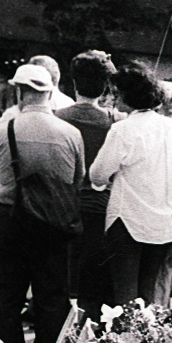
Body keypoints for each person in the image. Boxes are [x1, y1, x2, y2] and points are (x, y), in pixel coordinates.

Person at [0, 63, 84, 343]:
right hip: (53, 223)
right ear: (48, 92)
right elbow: (77, 180)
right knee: (52, 298)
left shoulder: (3, 130)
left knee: (7, 298)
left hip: (11, 218)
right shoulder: (70, 133)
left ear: (20, 92)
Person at [87, 63, 172, 307]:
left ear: (128, 95)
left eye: (117, 93)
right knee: (147, 295)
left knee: (125, 297)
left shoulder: (122, 129)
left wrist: (108, 181)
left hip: (127, 221)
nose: (113, 98)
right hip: (160, 222)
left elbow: (97, 174)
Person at [56, 50, 120, 315]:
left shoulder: (56, 117)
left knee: (62, 282)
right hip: (101, 207)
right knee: (93, 286)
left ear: (73, 82)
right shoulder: (114, 122)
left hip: (64, 207)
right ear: (105, 86)